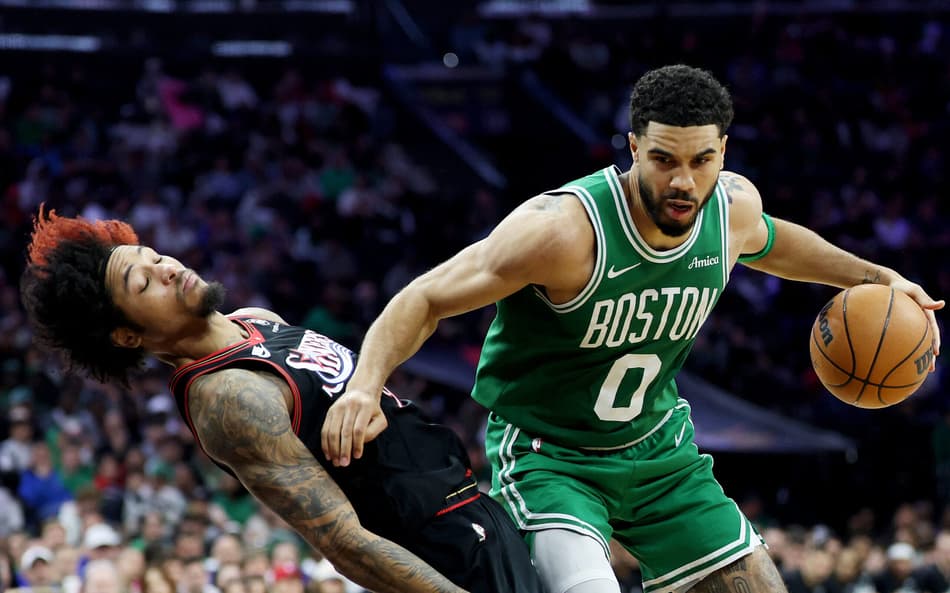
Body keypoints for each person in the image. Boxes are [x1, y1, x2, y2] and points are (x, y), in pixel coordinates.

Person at [320, 64, 945, 593]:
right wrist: (364, 387)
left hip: (660, 452)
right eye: (664, 159)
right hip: (552, 457)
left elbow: (774, 242)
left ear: (723, 153)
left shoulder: (731, 209)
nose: (683, 181)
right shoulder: (561, 232)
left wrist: (875, 276)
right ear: (633, 147)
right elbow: (426, 296)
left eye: (701, 160)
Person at [19, 208, 543, 593]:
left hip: (469, 507)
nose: (168, 268)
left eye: (155, 256)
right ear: (128, 336)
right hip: (444, 551)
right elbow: (346, 543)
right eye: (144, 282)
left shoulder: (255, 320)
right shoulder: (227, 397)